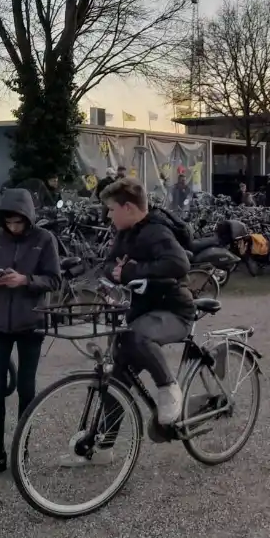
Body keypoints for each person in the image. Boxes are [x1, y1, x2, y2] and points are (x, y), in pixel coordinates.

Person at [0, 189, 61, 480]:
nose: (13, 226)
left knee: (26, 387)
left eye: (19, 221)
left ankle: (22, 449)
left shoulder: (44, 240)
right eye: (8, 221)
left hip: (31, 322)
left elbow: (55, 280)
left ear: (28, 218)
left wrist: (25, 280)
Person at [98, 178, 195, 428]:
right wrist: (116, 273)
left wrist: (131, 272)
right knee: (116, 380)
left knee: (136, 336)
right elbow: (109, 264)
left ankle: (169, 388)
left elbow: (180, 263)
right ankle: (102, 446)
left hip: (173, 310)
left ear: (128, 208)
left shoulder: (156, 231)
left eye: (111, 209)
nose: (108, 215)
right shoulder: (124, 233)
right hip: (141, 310)